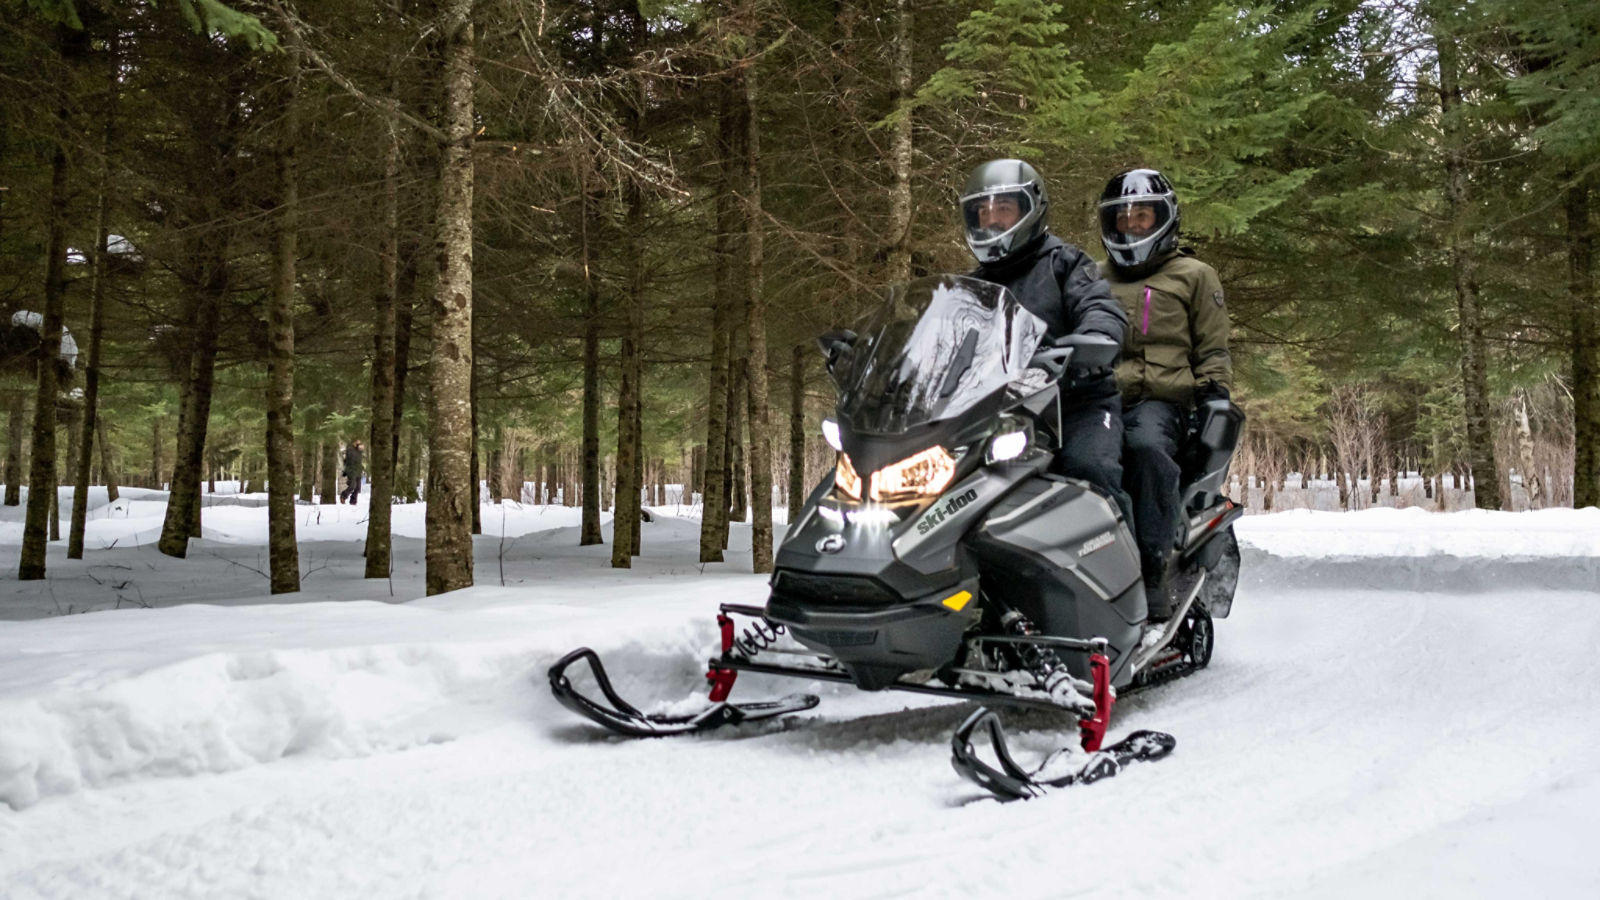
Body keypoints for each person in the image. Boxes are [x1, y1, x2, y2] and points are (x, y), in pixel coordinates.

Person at [961, 158, 1133, 526]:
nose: (991, 221)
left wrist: (1095, 338)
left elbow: (1100, 306)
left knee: (1089, 468)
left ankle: (1137, 559)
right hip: (998, 416)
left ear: (1030, 208)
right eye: (982, 212)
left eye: (1003, 209)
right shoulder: (971, 288)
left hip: (1076, 404)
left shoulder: (1066, 264)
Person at [1098, 168, 1232, 618]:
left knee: (1145, 451)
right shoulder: (1091, 276)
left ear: (1164, 219)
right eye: (1123, 218)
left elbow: (1213, 347)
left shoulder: (1194, 275)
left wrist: (1215, 395)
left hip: (1161, 400)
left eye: (1142, 217)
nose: (1132, 226)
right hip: (1097, 398)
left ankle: (1151, 569)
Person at [341, 439, 364, 505]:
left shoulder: (359, 449)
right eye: (358, 441)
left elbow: (360, 460)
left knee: (358, 487)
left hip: (358, 470)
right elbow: (350, 459)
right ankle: (343, 495)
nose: (359, 442)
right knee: (352, 485)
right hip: (351, 470)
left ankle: (353, 501)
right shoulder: (350, 448)